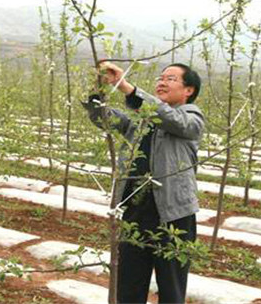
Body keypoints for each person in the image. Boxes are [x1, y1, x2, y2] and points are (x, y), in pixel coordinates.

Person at [83, 62, 205, 303]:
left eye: (170, 79)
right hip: (136, 210)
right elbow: (108, 119)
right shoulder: (141, 121)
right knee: (128, 286)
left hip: (173, 214)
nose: (161, 82)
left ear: (188, 90)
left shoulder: (192, 117)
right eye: (160, 78)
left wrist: (127, 88)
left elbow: (172, 120)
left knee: (171, 289)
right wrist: (98, 92)